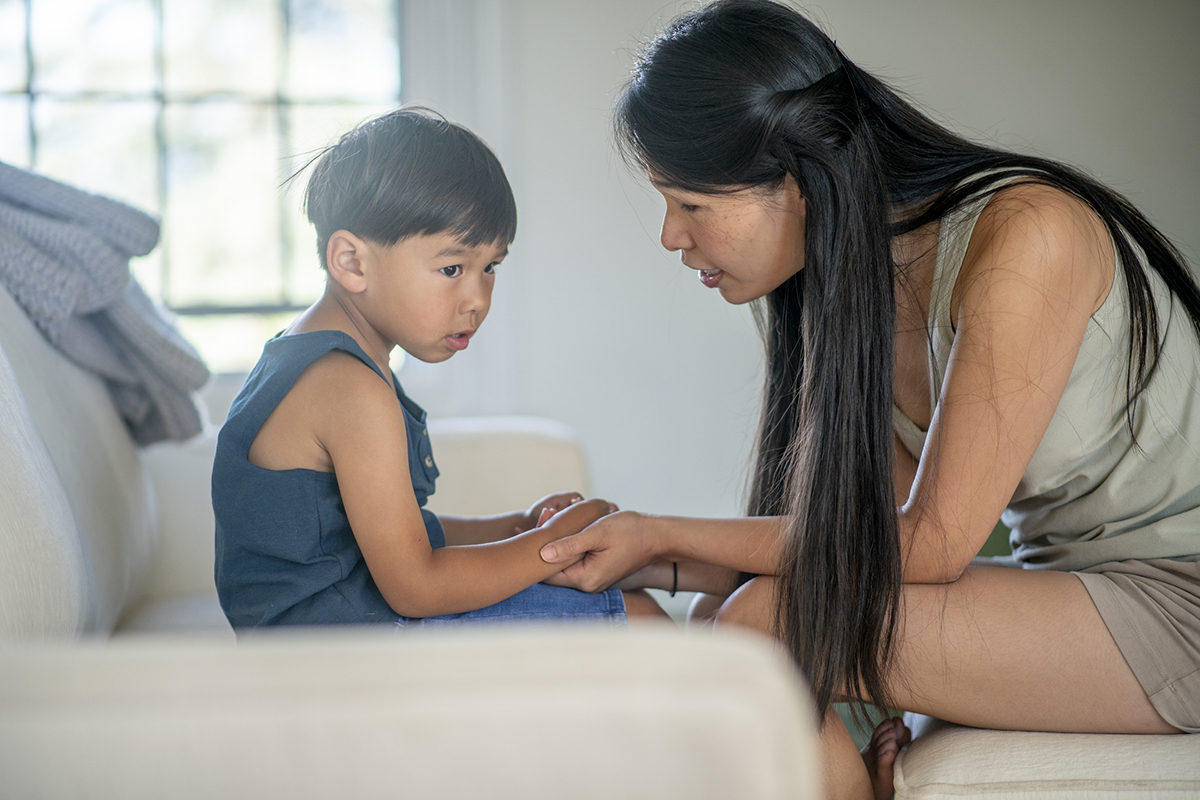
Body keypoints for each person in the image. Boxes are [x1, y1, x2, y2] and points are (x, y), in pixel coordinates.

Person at [537, 2, 1200, 798]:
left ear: (798, 177)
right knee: (727, 632)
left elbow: (932, 546)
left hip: (1179, 601)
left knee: (756, 627)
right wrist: (639, 557)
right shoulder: (840, 286)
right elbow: (855, 545)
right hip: (1073, 592)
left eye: (691, 204)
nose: (670, 237)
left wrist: (658, 532)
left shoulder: (1028, 231)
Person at [212, 108, 666, 631]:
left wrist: (518, 526)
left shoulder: (311, 356)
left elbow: (394, 537)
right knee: (640, 618)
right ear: (352, 262)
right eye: (452, 268)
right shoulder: (347, 386)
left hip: (342, 631)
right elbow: (416, 584)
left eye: (490, 267)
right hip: (336, 655)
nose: (476, 298)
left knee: (621, 586)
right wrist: (550, 547)